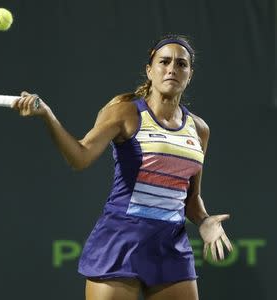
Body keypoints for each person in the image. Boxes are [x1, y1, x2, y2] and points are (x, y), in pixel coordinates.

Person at [12, 34, 233, 300]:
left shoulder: (199, 129)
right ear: (150, 71)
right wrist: (47, 114)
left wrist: (205, 221)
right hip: (120, 241)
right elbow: (79, 157)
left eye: (181, 64)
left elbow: (191, 197)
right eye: (164, 62)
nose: (173, 68)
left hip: (171, 247)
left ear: (190, 74)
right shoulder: (125, 113)